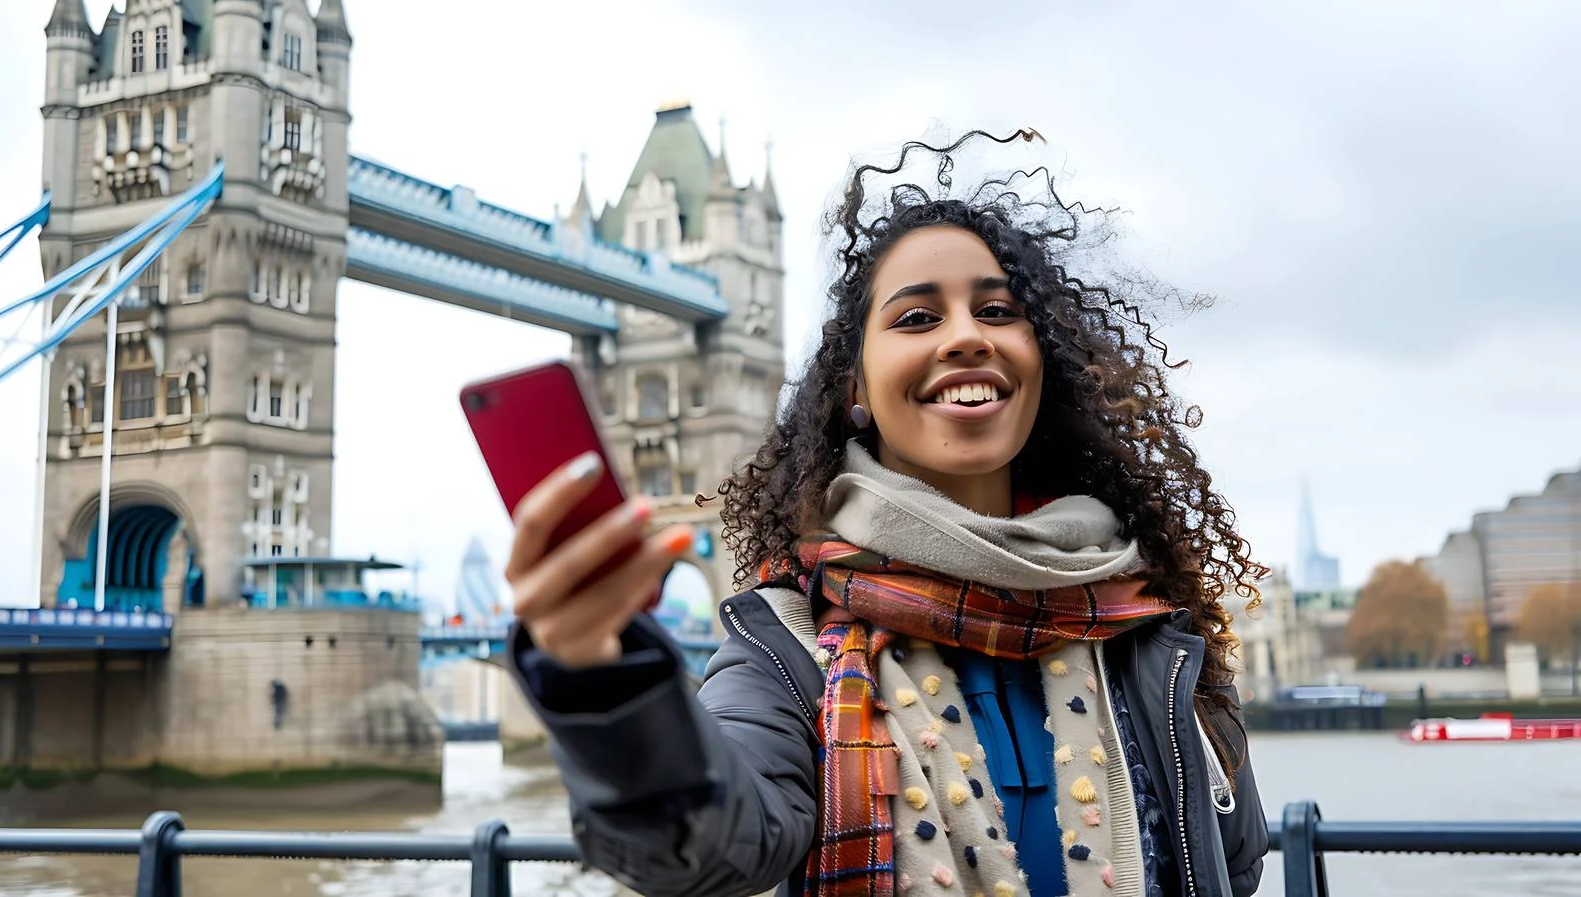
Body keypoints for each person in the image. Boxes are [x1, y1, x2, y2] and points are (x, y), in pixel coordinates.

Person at [504, 129, 1271, 897]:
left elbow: (1230, 866)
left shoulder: (1155, 627)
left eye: (998, 310)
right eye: (915, 319)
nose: (967, 335)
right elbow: (708, 847)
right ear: (856, 393)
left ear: (1047, 366)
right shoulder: (786, 642)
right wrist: (602, 680)